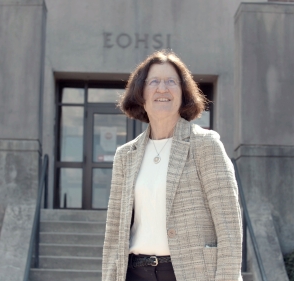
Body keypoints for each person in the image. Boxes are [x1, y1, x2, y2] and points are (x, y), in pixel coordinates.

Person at [102, 50, 243, 281]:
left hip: (190, 272)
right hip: (134, 273)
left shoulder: (206, 145)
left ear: (183, 93)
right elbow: (114, 234)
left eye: (171, 82)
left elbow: (229, 226)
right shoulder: (125, 155)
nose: (162, 88)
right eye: (154, 81)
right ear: (141, 93)